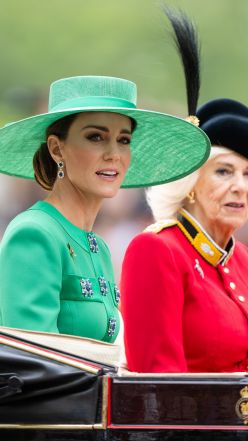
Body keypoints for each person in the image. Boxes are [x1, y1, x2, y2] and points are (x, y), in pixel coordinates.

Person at [120, 11, 248, 372]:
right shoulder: (157, 250)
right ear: (189, 184)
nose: (240, 185)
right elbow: (157, 381)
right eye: (224, 171)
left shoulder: (243, 259)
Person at [0, 75, 209, 343]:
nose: (114, 154)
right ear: (56, 148)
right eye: (96, 137)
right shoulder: (34, 233)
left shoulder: (98, 246)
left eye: (123, 140)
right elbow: (36, 363)